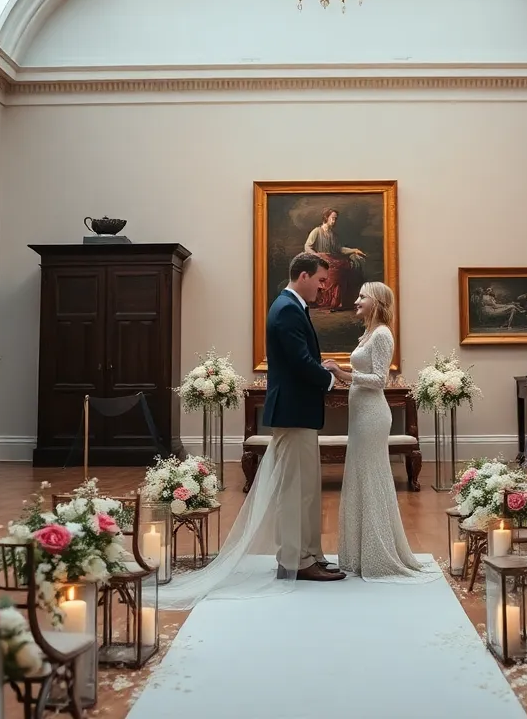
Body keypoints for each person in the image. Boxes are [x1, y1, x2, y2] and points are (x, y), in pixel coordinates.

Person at [156, 253, 342, 610]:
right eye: (320, 280)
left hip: (298, 412)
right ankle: (296, 561)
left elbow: (298, 358)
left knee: (305, 489)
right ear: (302, 275)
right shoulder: (287, 308)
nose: (324, 287)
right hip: (293, 412)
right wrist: (329, 379)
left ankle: (308, 554)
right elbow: (301, 362)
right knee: (294, 490)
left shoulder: (292, 305)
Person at [323, 283, 440, 583]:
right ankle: (359, 554)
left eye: (362, 296)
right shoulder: (368, 334)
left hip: (372, 416)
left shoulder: (383, 334)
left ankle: (379, 555)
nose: (355, 300)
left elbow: (379, 380)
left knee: (372, 478)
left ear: (377, 302)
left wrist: (341, 374)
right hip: (360, 414)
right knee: (360, 477)